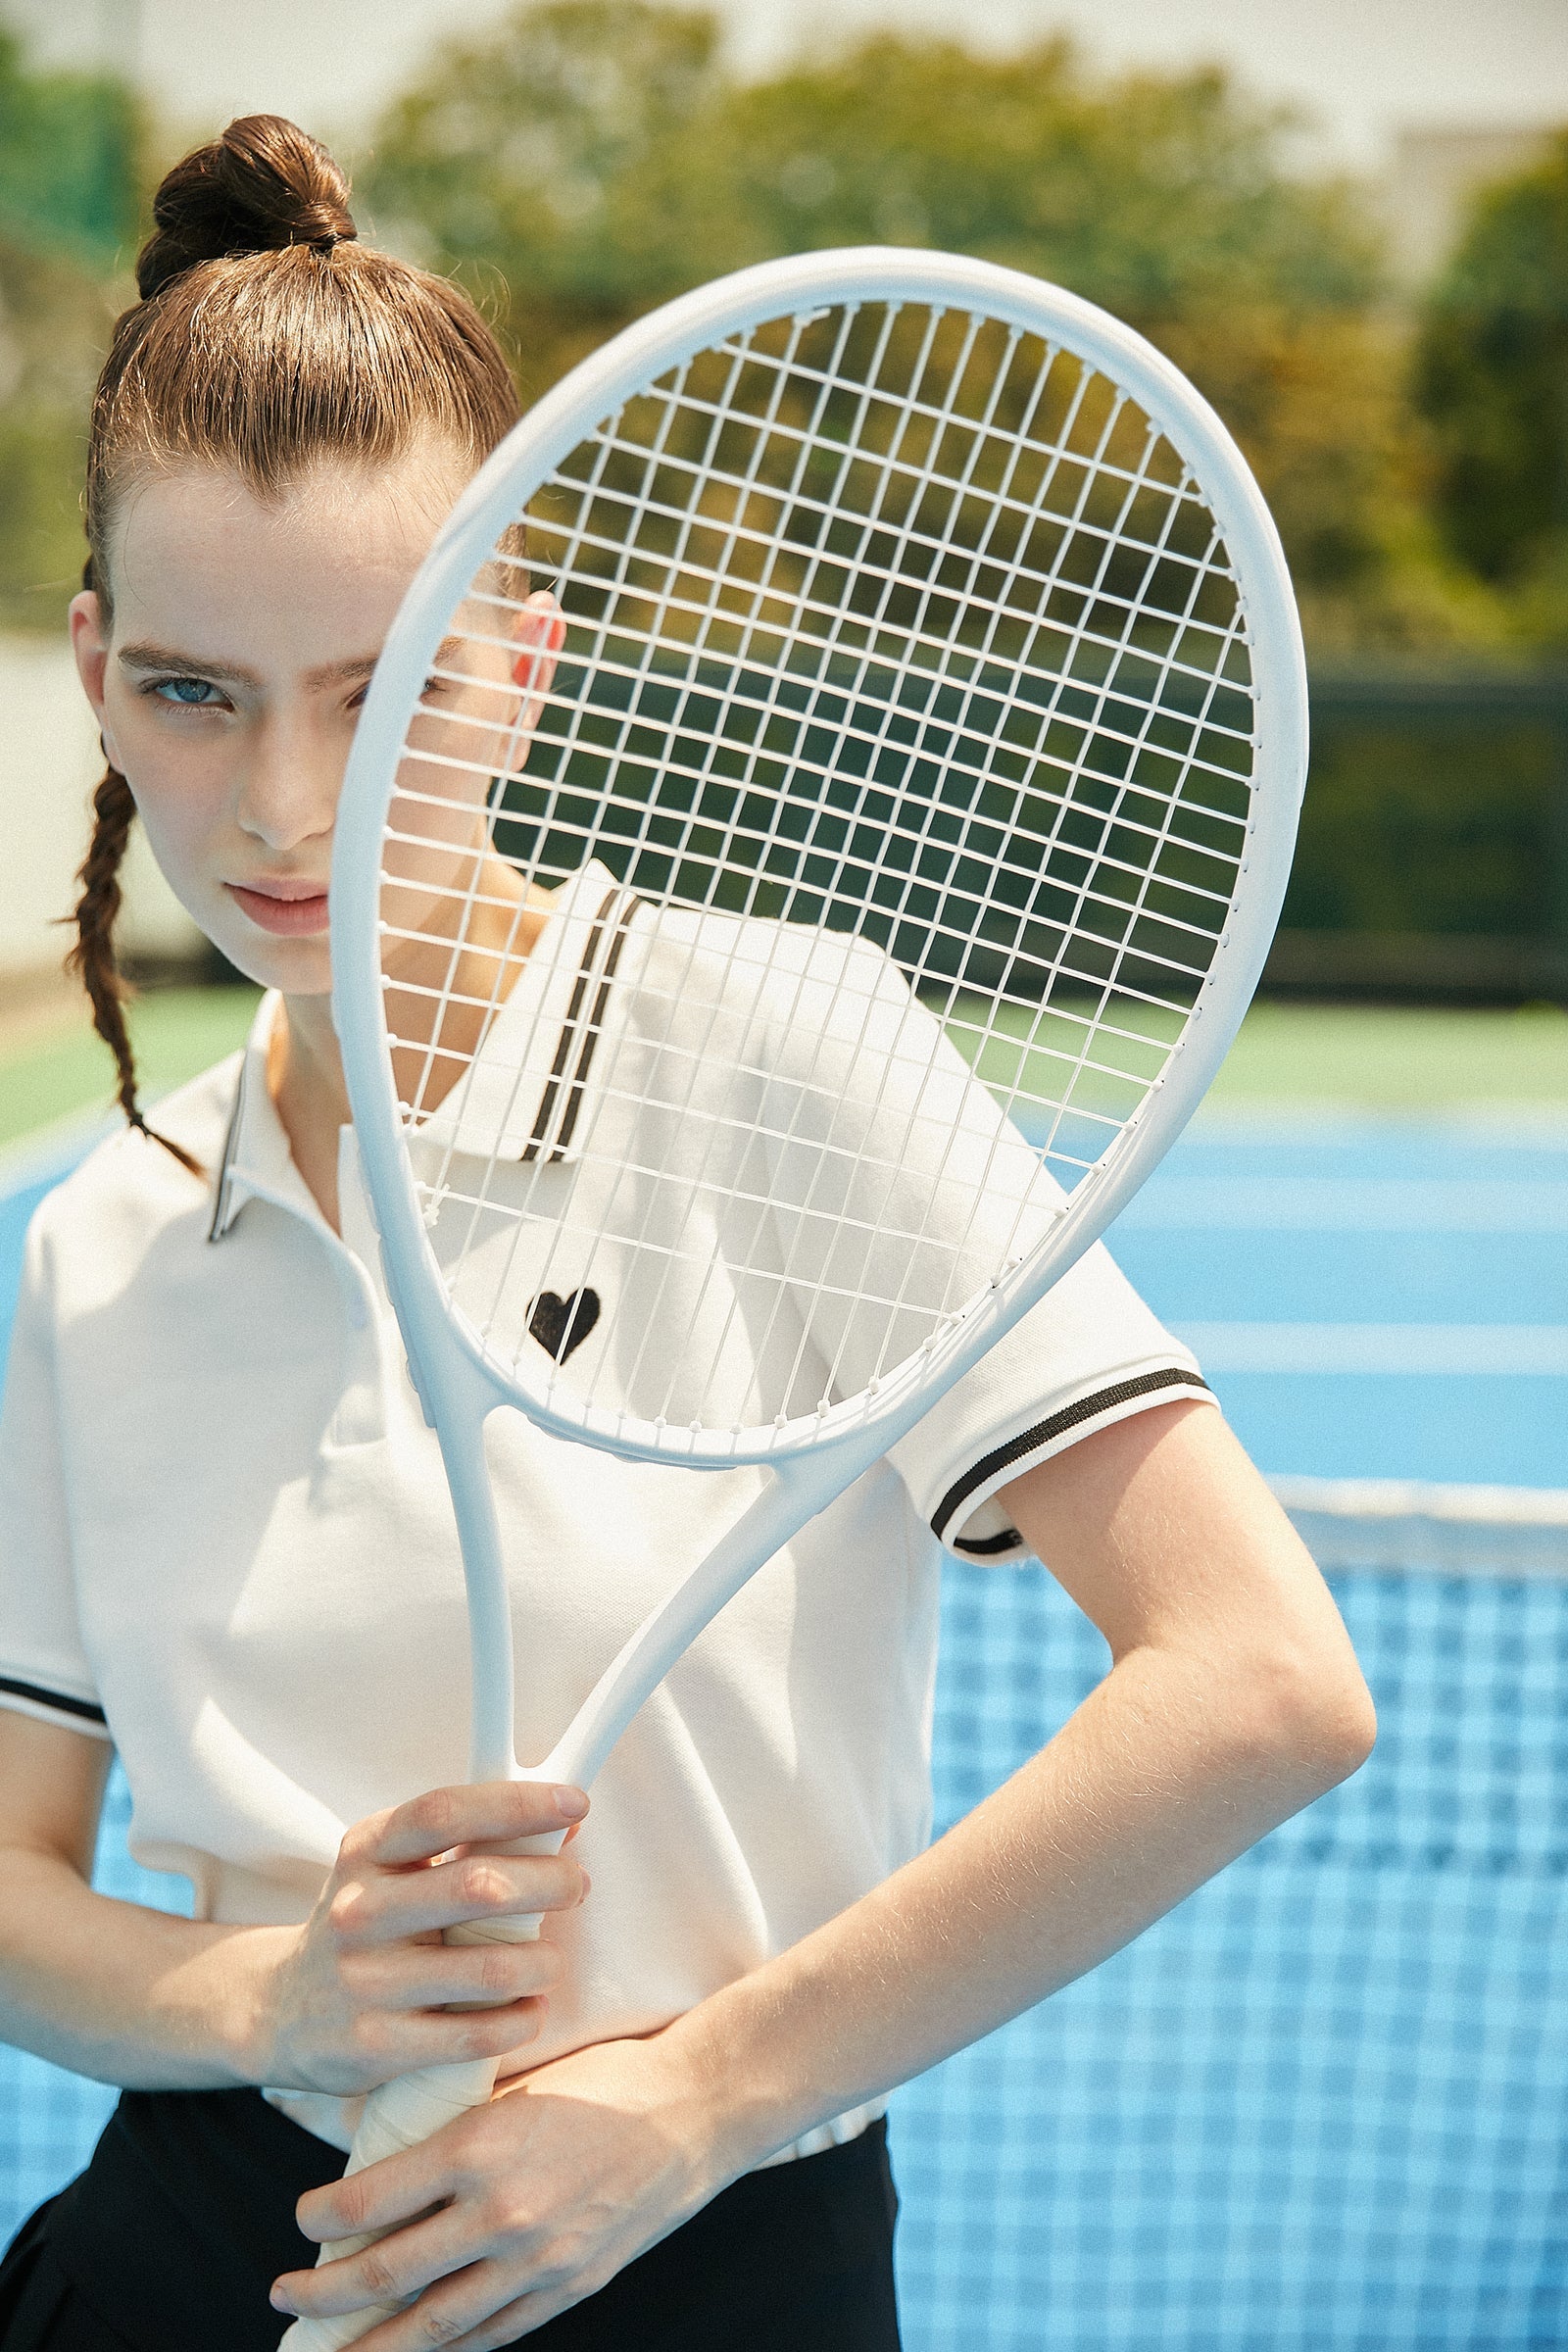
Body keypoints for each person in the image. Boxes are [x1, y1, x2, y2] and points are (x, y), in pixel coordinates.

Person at [0, 116, 1374, 2352]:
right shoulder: (104, 1240)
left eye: (386, 690)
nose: (277, 809)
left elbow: (1258, 1683)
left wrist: (699, 2099)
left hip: (709, 2263)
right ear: (94, 666)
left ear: (522, 661)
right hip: (183, 2266)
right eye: (193, 691)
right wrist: (267, 1985)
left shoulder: (776, 1046)